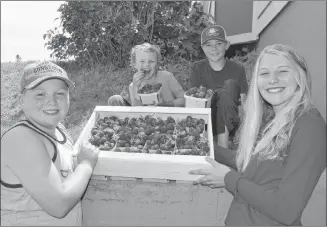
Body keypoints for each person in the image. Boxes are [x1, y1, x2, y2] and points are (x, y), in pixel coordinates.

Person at [189, 44, 326, 225]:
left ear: (300, 77)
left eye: (282, 71)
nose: (273, 80)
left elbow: (286, 210)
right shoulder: (273, 120)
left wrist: (229, 179)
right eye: (264, 73)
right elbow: (249, 164)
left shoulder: (309, 124)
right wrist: (205, 147)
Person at [1, 61, 100, 225]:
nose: (52, 101)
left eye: (60, 93)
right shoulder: (20, 139)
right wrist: (86, 164)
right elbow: (59, 205)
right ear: (21, 100)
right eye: (40, 94)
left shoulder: (59, 131)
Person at [189, 25, 248, 148]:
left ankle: (223, 146)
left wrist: (243, 130)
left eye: (219, 44)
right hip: (208, 119)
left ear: (227, 45)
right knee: (208, 95)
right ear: (202, 48)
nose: (214, 49)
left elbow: (244, 102)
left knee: (229, 85)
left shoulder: (238, 68)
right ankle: (207, 139)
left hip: (231, 120)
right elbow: (193, 101)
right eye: (208, 45)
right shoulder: (197, 68)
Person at [108, 43, 185, 107]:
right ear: (134, 64)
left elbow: (184, 100)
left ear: (157, 64)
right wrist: (135, 88)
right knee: (115, 99)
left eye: (151, 61)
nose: (147, 65)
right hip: (144, 118)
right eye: (142, 61)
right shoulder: (133, 85)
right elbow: (136, 110)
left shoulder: (167, 77)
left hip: (167, 116)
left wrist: (166, 104)